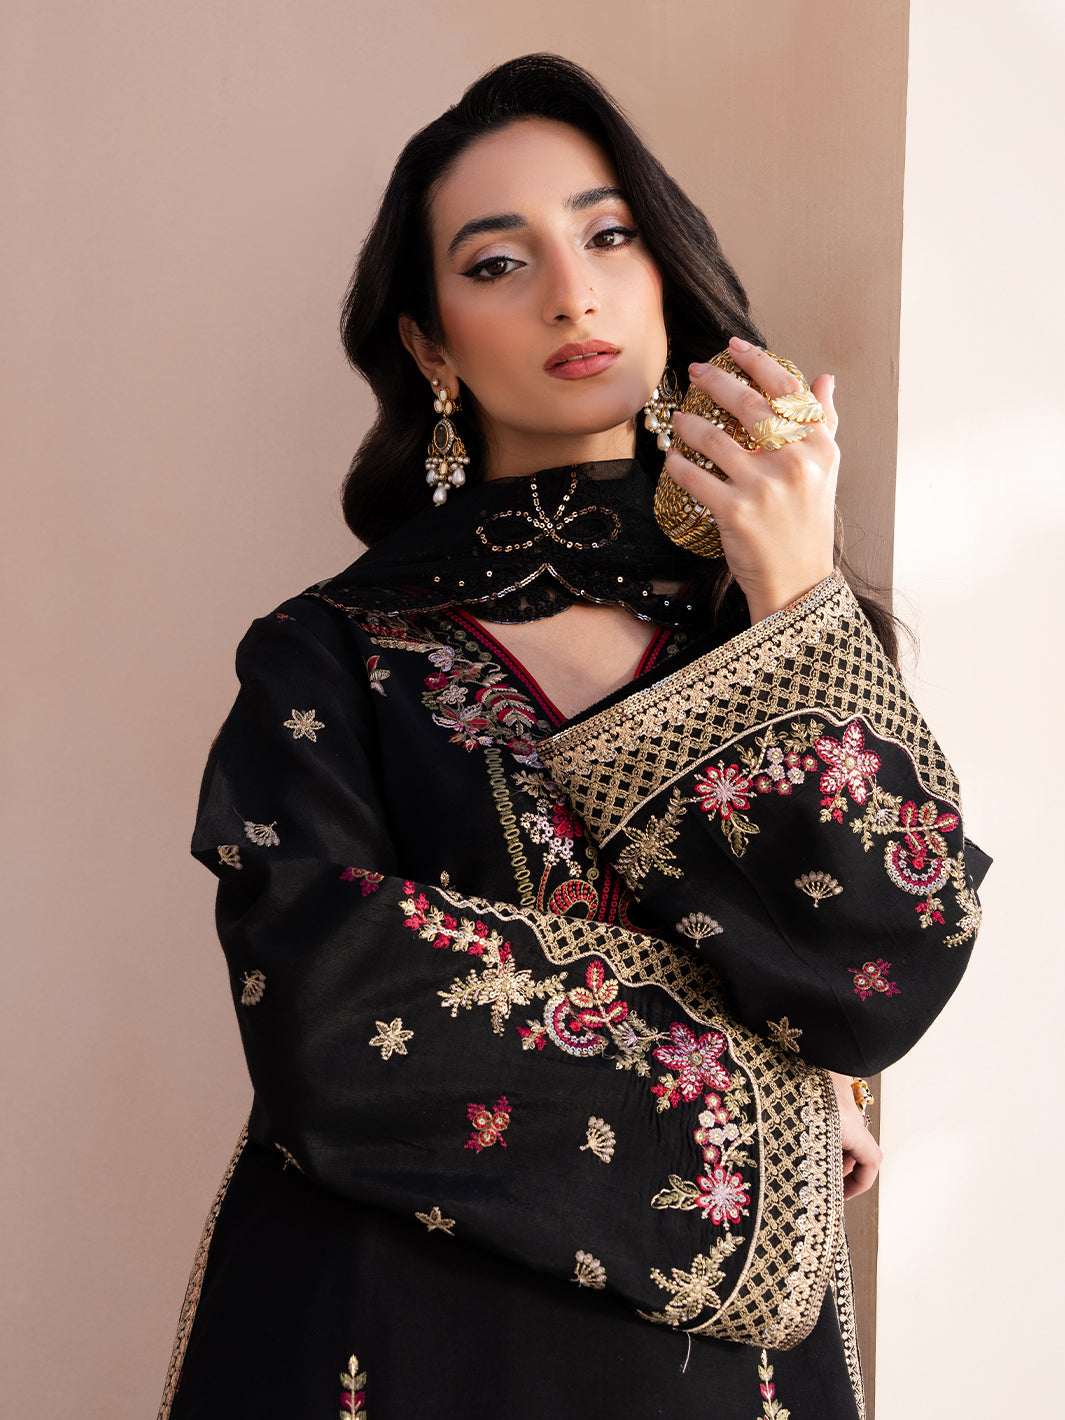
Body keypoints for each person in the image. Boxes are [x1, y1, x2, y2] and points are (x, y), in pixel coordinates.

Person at [158, 54, 988, 1420]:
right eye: (498, 262)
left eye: (609, 237)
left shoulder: (775, 629)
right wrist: (774, 1094)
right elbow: (332, 1014)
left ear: (667, 276)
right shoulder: (336, 650)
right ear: (429, 346)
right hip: (390, 1337)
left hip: (715, 1374)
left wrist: (794, 593)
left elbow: (882, 971)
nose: (571, 292)